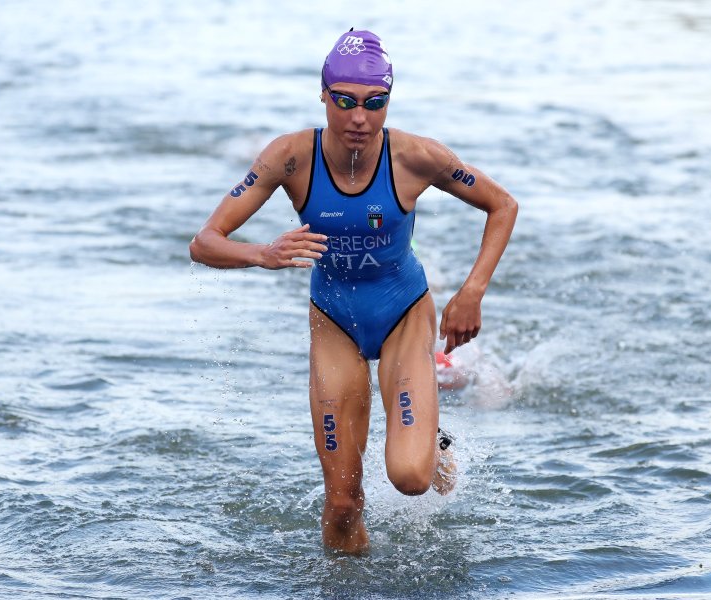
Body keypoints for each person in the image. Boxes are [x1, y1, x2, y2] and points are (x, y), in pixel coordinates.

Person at [189, 29, 518, 553]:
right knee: (342, 503)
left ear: (388, 101)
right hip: (334, 322)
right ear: (323, 96)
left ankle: (432, 439)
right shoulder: (290, 158)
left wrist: (471, 292)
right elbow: (204, 242)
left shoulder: (417, 157)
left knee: (411, 477)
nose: (359, 117)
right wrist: (262, 254)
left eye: (374, 103)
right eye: (344, 101)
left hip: (403, 315)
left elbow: (502, 205)